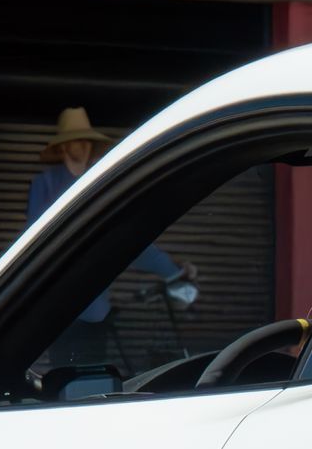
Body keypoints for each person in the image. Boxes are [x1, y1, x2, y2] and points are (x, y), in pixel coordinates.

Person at [23, 106, 197, 384]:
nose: (80, 146)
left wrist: (171, 270)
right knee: (63, 381)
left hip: (95, 310)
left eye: (84, 140)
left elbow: (129, 243)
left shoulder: (99, 185)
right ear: (64, 145)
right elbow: (34, 242)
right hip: (59, 309)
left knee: (94, 381)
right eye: (74, 140)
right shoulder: (45, 184)